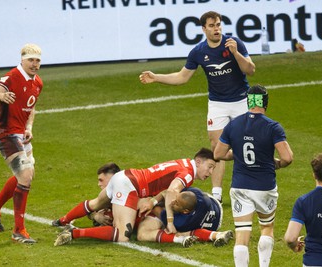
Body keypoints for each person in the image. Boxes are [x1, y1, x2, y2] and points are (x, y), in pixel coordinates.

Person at [139, 11, 255, 202]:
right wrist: (156, 77)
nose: (216, 29)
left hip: (241, 101)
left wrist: (235, 53)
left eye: (218, 25)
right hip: (217, 103)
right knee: (217, 148)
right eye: (212, 26)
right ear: (204, 29)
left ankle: (250, 186)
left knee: (247, 143)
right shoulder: (198, 52)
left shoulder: (234, 43)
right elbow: (182, 77)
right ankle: (217, 195)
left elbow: (250, 70)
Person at [53, 148, 217, 245]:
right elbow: (171, 193)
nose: (210, 172)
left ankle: (62, 221)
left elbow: (166, 190)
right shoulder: (188, 173)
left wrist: (152, 201)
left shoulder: (183, 163)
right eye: (209, 167)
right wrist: (170, 223)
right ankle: (74, 233)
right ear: (198, 161)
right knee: (122, 235)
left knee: (95, 204)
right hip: (131, 186)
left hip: (126, 176)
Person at [214, 84, 293, 267]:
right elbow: (287, 158)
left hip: (240, 186)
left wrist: (237, 153)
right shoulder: (273, 127)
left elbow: (218, 154)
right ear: (265, 102)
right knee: (266, 227)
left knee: (242, 234)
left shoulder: (233, 124)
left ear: (248, 102)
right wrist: (278, 164)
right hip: (265, 186)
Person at [0, 44, 43, 243]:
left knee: (27, 175)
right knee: (25, 176)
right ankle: (19, 230)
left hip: (20, 133)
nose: (34, 64)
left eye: (38, 60)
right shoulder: (12, 77)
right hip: (4, 133)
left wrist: (29, 127)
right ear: (22, 60)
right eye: (31, 60)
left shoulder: (38, 83)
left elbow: (31, 107)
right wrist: (1, 95)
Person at [137, 187, 234, 248]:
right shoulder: (198, 194)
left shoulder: (181, 222)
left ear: (185, 211)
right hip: (215, 207)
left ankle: (181, 239)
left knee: (143, 234)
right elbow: (170, 192)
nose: (173, 202)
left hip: (206, 217)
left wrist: (152, 202)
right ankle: (216, 235)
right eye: (177, 198)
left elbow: (159, 206)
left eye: (177, 203)